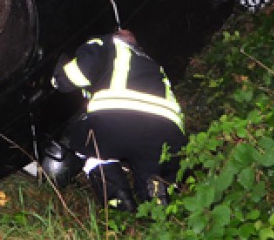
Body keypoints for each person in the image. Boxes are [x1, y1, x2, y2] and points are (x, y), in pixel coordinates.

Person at [50, 28, 186, 212]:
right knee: (151, 174)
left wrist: (58, 79)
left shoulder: (106, 44)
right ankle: (156, 200)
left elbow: (77, 74)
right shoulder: (153, 65)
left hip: (116, 122)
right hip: (168, 132)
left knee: (81, 141)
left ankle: (118, 196)